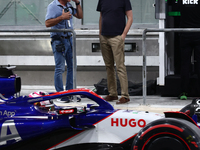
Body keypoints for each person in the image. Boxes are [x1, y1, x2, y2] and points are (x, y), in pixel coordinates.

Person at [96, 0, 133, 104]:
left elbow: (130, 18)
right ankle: (112, 93)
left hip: (117, 37)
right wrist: (100, 33)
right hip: (104, 36)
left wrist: (123, 35)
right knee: (109, 66)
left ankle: (125, 95)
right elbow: (101, 16)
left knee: (120, 66)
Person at [45, 0, 83, 102]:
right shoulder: (53, 6)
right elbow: (47, 23)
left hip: (69, 39)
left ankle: (70, 92)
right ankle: (60, 94)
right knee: (60, 68)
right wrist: (62, 17)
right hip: (59, 40)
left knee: (72, 66)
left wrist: (78, 3)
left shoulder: (68, 5)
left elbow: (80, 16)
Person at [178, 0, 200, 100]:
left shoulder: (181, 0)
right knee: (199, 64)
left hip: (185, 34)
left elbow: (175, 8)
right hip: (198, 33)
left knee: (185, 64)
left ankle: (184, 92)